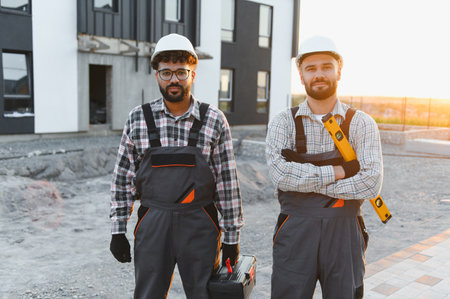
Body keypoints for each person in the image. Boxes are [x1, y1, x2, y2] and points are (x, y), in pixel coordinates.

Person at [109, 33, 244, 299]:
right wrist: (117, 230)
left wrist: (232, 236)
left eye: (181, 72)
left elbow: (227, 183)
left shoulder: (213, 120)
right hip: (153, 222)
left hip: (200, 223)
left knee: (204, 293)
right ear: (156, 75)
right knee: (148, 294)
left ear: (193, 73)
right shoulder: (138, 119)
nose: (173, 79)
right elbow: (123, 178)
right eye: (166, 72)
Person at [266, 35, 383, 299]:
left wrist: (304, 182)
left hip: (345, 233)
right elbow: (280, 175)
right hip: (295, 232)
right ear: (301, 74)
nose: (319, 74)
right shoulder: (283, 122)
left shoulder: (361, 123)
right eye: (311, 68)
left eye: (326, 67)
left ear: (339, 70)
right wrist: (341, 171)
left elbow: (370, 182)